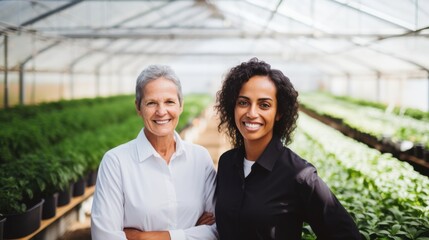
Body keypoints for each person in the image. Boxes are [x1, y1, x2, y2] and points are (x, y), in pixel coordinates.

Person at [214, 58, 361, 240]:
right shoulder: (227, 162)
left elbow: (346, 234)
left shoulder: (298, 175)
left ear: (279, 113)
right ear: (233, 107)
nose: (252, 113)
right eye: (243, 102)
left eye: (264, 105)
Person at [91, 65, 218, 240]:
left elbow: (216, 230)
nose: (161, 111)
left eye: (169, 102)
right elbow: (104, 236)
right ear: (138, 107)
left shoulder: (200, 158)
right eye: (151, 103)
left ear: (181, 105)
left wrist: (144, 237)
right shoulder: (116, 162)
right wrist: (190, 233)